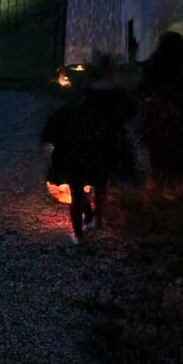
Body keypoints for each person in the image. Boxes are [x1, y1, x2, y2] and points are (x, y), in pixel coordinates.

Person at [42, 54, 135, 244]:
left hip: (78, 149)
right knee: (98, 183)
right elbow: (127, 113)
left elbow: (61, 116)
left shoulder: (81, 98)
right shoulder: (112, 99)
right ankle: (94, 218)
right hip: (100, 147)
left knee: (79, 188)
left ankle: (80, 231)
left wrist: (53, 138)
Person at [140, 31, 183, 198]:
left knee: (157, 148)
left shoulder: (152, 68)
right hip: (171, 116)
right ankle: (168, 183)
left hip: (157, 115)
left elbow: (143, 90)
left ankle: (156, 177)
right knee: (172, 148)